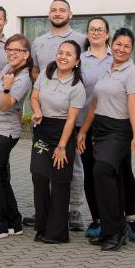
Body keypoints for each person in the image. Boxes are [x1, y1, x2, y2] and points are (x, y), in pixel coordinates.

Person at [77, 27, 135, 251]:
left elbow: (133, 105)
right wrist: (84, 131)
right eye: (118, 44)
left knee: (102, 171)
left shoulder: (132, 72)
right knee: (105, 178)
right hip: (100, 128)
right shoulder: (107, 71)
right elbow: (94, 104)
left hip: (119, 129)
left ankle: (117, 228)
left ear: (131, 49)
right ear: (111, 44)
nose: (121, 49)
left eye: (127, 46)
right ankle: (109, 228)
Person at [25, 0, 88, 231]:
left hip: (73, 112)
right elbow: (34, 71)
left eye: (62, 10)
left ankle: (74, 210)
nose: (58, 13)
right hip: (48, 113)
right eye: (54, 10)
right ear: (48, 13)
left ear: (71, 14)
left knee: (73, 164)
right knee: (42, 168)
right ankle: (44, 210)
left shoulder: (83, 39)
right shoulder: (40, 42)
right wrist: (41, 100)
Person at [29, 40, 85, 244]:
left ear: (77, 61)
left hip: (63, 133)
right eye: (61, 52)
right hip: (43, 130)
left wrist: (62, 147)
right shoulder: (46, 73)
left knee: (60, 183)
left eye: (69, 54)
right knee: (39, 177)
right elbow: (34, 97)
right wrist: (36, 111)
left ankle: (58, 233)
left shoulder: (77, 86)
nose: (63, 57)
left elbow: (71, 120)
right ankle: (42, 227)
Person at [0, 33, 32, 239]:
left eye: (16, 50)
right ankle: (14, 221)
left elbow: (4, 106)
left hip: (4, 132)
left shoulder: (22, 78)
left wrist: (8, 86)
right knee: (0, 177)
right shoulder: (9, 68)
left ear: (26, 54)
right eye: (9, 49)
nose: (11, 53)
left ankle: (0, 223)